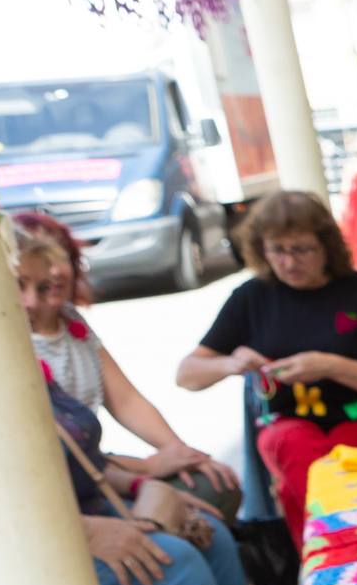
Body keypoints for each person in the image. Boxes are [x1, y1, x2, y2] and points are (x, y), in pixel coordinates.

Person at [0, 222, 299, 585]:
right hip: (10, 562)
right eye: (20, 286)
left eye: (50, 284)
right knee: (172, 567)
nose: (34, 301)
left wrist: (157, 479)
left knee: (208, 533)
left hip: (65, 518)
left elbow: (80, 457)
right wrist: (90, 527)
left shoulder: (29, 345)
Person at [176, 190, 357, 544]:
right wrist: (232, 362)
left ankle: (330, 556)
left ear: (326, 246)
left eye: (301, 250)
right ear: (261, 249)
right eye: (277, 250)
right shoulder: (252, 297)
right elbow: (187, 374)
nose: (288, 262)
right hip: (289, 423)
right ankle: (335, 553)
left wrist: (331, 366)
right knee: (299, 452)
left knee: (347, 453)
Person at [13, 213, 241, 512]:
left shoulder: (71, 321)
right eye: (24, 280)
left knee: (216, 485)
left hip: (100, 467)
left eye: (61, 256)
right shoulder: (12, 346)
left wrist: (178, 451)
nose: (56, 271)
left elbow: (125, 400)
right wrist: (146, 467)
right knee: (191, 532)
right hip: (77, 485)